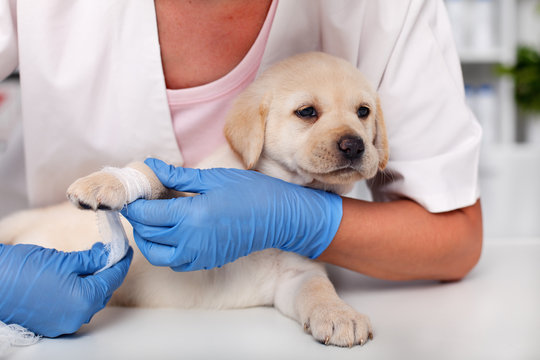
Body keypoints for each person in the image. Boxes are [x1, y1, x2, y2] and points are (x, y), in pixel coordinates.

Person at [0, 0, 483, 337]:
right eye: (307, 112)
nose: (351, 137)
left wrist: (306, 222)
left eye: (362, 114)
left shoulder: (384, 9)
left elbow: (455, 236)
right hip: (63, 278)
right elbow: (153, 179)